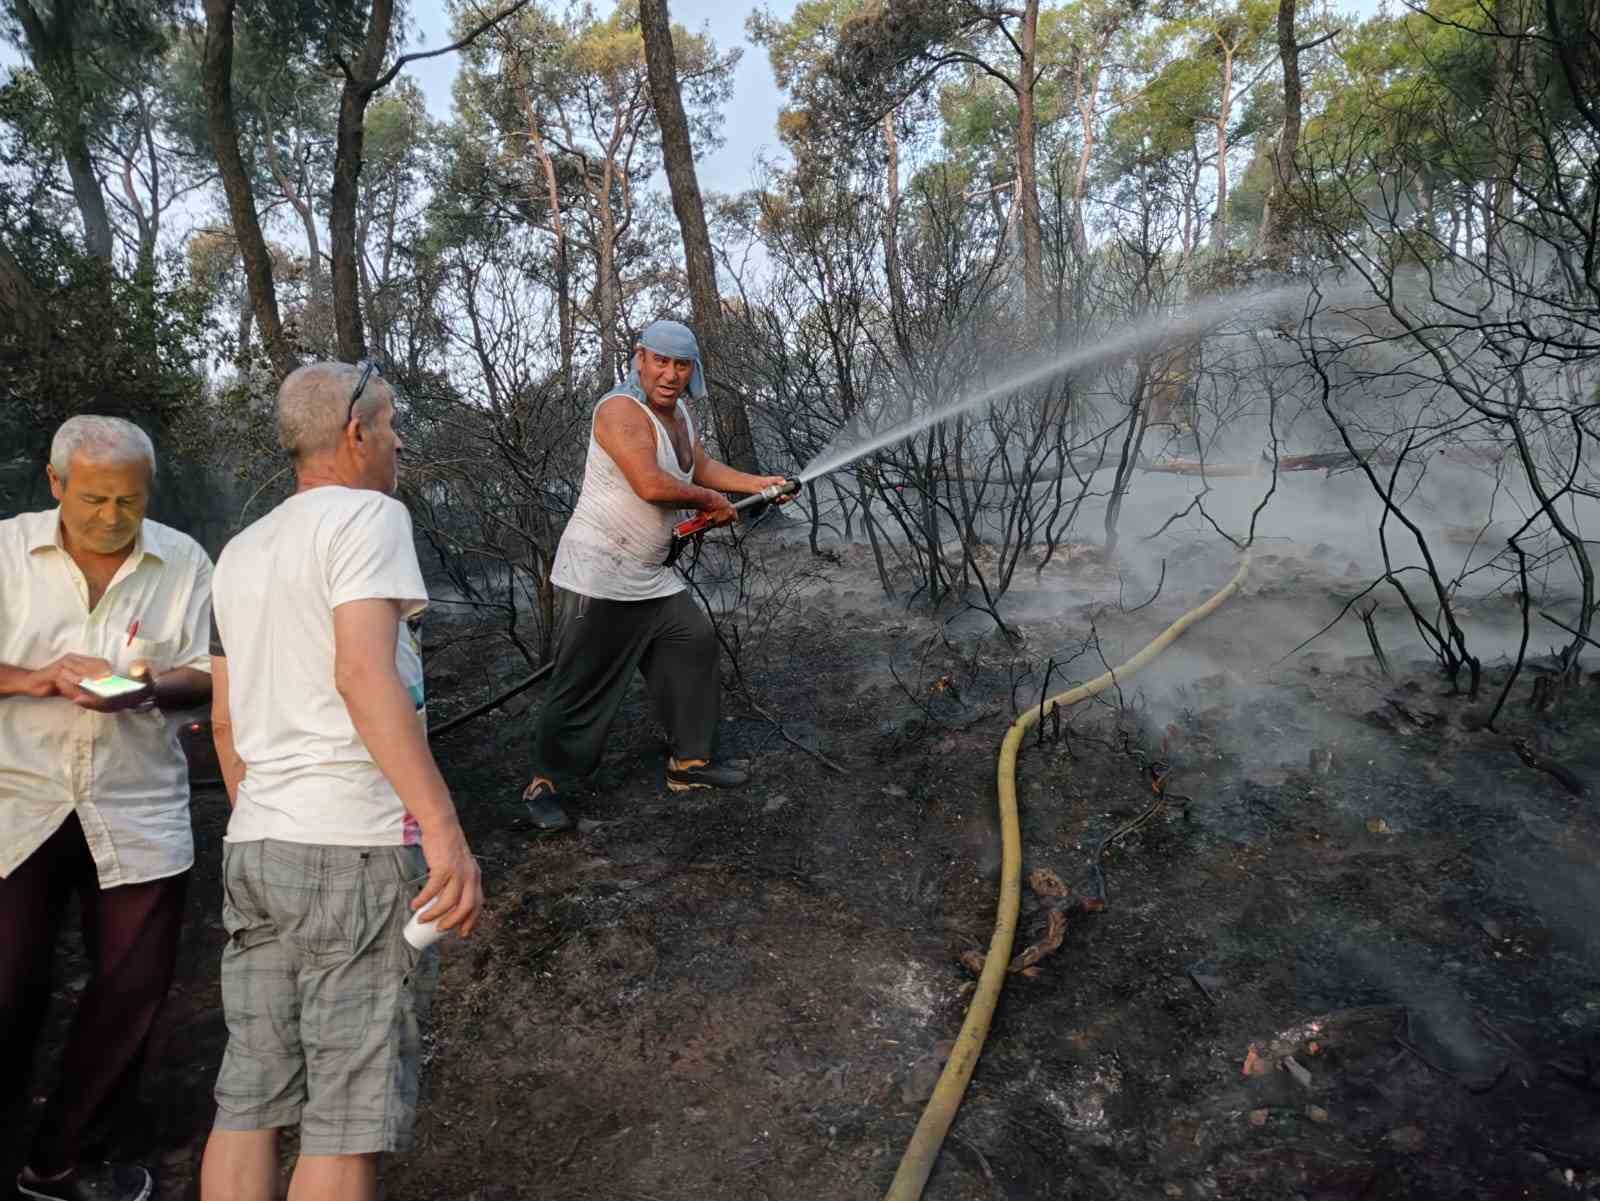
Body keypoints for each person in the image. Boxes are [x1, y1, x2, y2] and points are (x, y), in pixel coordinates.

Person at [199, 362, 483, 1201]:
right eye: (392, 423)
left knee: (247, 1101)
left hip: (256, 845)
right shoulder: (370, 516)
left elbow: (223, 720)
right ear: (355, 432)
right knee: (342, 1122)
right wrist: (443, 827)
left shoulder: (240, 551)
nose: (399, 440)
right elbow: (364, 675)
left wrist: (266, 808)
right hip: (353, 848)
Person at [0, 416, 214, 1201]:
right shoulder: (6, 551)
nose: (112, 518)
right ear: (55, 483)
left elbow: (204, 674)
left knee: (132, 988)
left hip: (134, 797)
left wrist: (146, 686)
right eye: (94, 498)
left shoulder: (183, 559)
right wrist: (37, 677)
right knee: (7, 981)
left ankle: (63, 1160)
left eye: (129, 501)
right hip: (16, 793)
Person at [521, 319, 791, 832]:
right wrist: (711, 502)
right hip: (600, 573)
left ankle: (689, 764)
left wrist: (761, 483)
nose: (670, 375)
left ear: (693, 370)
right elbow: (649, 483)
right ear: (639, 358)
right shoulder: (620, 411)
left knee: (691, 640)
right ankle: (544, 784)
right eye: (661, 362)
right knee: (583, 684)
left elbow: (699, 466)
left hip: (647, 573)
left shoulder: (680, 413)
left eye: (681, 365)